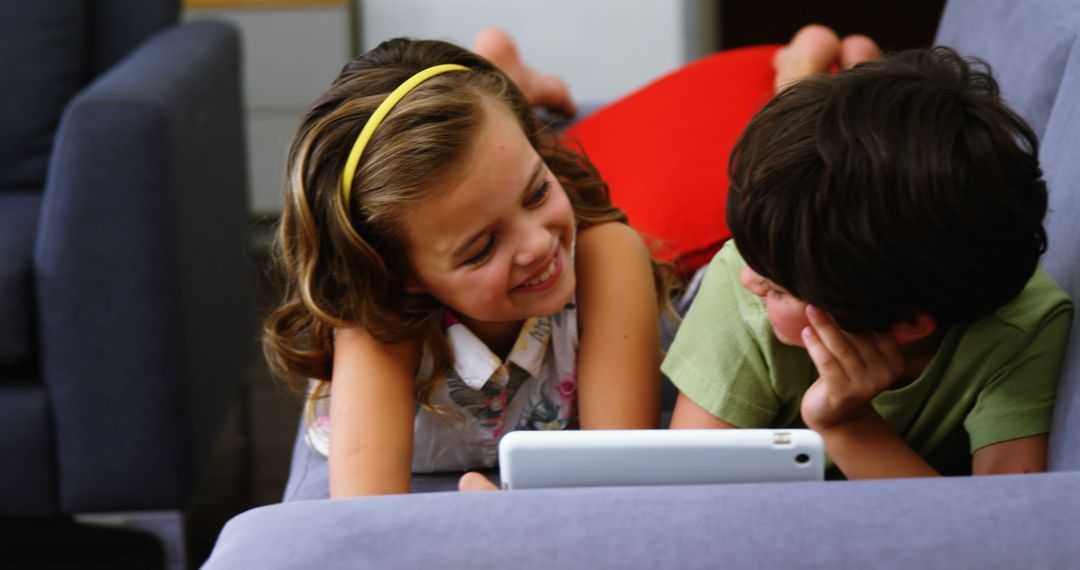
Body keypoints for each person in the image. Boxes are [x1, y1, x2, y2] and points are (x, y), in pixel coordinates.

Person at [262, 33, 673, 497]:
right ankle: (509, 83)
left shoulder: (606, 258)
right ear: (403, 276)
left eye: (538, 192)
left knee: (493, 152)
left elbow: (617, 487)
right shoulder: (380, 320)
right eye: (480, 249)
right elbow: (364, 516)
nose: (538, 245)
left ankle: (512, 86)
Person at [664, 26, 1074, 479]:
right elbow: (690, 491)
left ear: (909, 326)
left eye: (779, 291)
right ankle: (805, 76)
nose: (752, 281)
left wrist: (846, 423)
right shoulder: (744, 278)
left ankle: (839, 73)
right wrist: (778, 287)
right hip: (733, 264)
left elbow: (1005, 525)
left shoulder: (1024, 327)